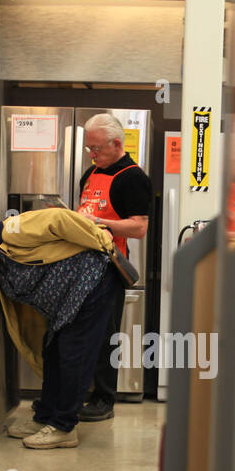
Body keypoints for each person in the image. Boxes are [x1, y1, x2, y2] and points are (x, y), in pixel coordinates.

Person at [0, 206, 120, 449]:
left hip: (92, 283)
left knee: (73, 355)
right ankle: (45, 418)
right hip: (66, 301)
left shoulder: (14, 230)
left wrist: (101, 238)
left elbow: (59, 218)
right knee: (52, 353)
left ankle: (64, 427)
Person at [75, 113, 152, 422]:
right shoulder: (90, 173)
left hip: (108, 269)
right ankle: (79, 392)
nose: (92, 155)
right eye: (89, 149)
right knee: (80, 333)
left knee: (106, 335)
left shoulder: (133, 177)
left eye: (96, 149)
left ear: (116, 144)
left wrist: (99, 223)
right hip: (80, 267)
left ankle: (104, 398)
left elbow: (138, 227)